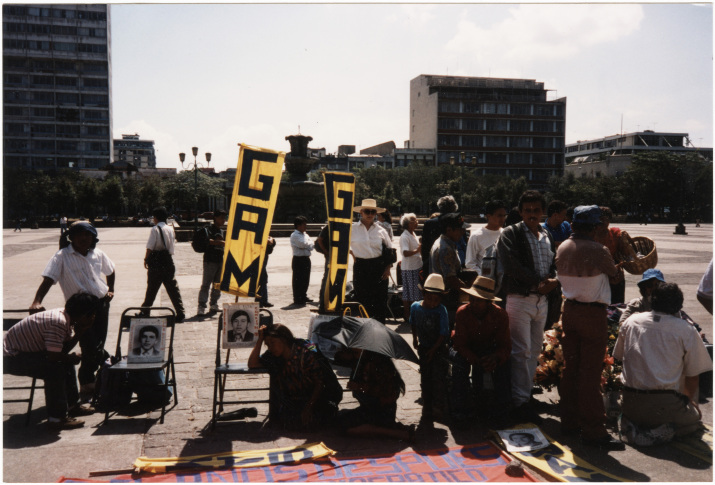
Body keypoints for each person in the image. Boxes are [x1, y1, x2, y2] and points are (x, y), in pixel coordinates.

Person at [555, 205, 624, 450]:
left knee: (570, 369)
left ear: (573, 226)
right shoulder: (599, 249)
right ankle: (594, 431)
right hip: (592, 315)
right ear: (595, 227)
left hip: (570, 311)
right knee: (590, 374)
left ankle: (569, 422)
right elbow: (615, 277)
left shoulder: (562, 246)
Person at [614, 283, 712, 440]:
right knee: (695, 421)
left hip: (629, 402)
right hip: (664, 405)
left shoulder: (631, 321)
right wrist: (688, 403)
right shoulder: (685, 329)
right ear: (679, 305)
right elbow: (693, 376)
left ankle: (633, 425)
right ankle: (657, 434)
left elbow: (618, 357)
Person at [30, 221, 115, 398]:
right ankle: (90, 379)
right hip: (79, 309)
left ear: (93, 238)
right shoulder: (61, 256)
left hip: (101, 304)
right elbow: (48, 279)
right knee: (88, 343)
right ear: (72, 238)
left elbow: (111, 270)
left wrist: (110, 289)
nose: (84, 238)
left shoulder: (98, 254)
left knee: (98, 342)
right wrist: (36, 301)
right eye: (79, 235)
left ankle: (100, 372)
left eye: (88, 235)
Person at [497, 190, 557, 424]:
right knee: (520, 351)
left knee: (534, 351)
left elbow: (552, 264)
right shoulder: (510, 234)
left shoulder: (546, 235)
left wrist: (553, 280)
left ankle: (525, 395)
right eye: (527, 210)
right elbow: (511, 264)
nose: (532, 214)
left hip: (540, 300)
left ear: (543, 211)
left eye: (536, 210)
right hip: (520, 298)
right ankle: (518, 402)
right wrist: (539, 283)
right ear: (520, 212)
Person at [5, 292, 100, 429]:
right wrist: (71, 358)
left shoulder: (65, 317)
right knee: (54, 369)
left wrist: (80, 332)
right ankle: (57, 418)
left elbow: (60, 350)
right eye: (92, 315)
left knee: (64, 362)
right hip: (11, 357)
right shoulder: (58, 322)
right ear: (84, 315)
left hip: (25, 353)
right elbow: (54, 357)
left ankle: (72, 406)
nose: (94, 317)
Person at [248, 324, 342, 430]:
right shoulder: (273, 355)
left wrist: (308, 408)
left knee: (316, 421)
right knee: (286, 422)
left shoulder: (305, 353)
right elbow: (252, 364)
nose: (270, 347)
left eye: (273, 343)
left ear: (284, 340)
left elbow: (319, 383)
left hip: (317, 398)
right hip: (296, 400)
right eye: (268, 344)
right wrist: (260, 340)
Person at [449, 276, 512, 427]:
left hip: (489, 349)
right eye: (472, 299)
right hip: (465, 349)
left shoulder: (500, 314)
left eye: (480, 300)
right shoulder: (462, 312)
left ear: (489, 302)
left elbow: (506, 346)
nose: (475, 303)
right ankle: (460, 410)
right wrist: (475, 360)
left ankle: (502, 411)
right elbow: (459, 344)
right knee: (459, 364)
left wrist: (496, 358)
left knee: (505, 364)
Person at [338, 350, 413, 441]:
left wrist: (361, 387)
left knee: (345, 428)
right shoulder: (359, 362)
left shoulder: (377, 363)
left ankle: (396, 433)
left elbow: (388, 393)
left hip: (382, 410)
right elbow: (337, 357)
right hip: (369, 408)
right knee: (340, 418)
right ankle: (393, 428)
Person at [410, 274, 449, 421]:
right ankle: (427, 405)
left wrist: (433, 350)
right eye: (429, 298)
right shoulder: (415, 307)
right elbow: (412, 323)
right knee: (425, 376)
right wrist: (414, 338)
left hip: (438, 348)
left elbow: (443, 333)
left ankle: (438, 406)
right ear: (424, 294)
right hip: (424, 348)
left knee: (438, 377)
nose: (433, 303)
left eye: (436, 300)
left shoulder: (441, 310)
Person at [350, 199, 393, 322]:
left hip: (379, 268)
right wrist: (352, 253)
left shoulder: (381, 230)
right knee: (363, 301)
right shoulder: (352, 229)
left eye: (373, 212)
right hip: (361, 267)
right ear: (361, 212)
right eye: (367, 211)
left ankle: (380, 333)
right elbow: (342, 246)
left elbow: (390, 250)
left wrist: (388, 268)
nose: (370, 214)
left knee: (380, 302)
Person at [140, 207, 185, 323]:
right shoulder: (170, 229)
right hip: (168, 260)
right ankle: (180, 312)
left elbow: (150, 246)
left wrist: (146, 259)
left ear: (156, 218)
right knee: (173, 289)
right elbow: (172, 246)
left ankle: (145, 311)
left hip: (156, 261)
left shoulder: (155, 229)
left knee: (152, 288)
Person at [430, 212, 471, 319]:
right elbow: (451, 278)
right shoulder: (446, 248)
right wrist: (469, 291)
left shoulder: (446, 243)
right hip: (447, 297)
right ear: (449, 230)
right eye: (460, 229)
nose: (463, 232)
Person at [594, 206, 626, 304]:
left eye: (605, 219)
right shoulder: (591, 235)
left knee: (616, 305)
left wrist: (624, 240)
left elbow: (625, 253)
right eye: (600, 219)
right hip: (598, 273)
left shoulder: (615, 233)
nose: (602, 222)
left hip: (615, 272)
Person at [420, 195, 459, 275]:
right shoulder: (458, 223)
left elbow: (424, 247)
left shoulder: (429, 223)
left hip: (432, 265)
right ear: (455, 207)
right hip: (453, 265)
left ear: (440, 207)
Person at [197, 209, 226, 316]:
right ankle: (201, 306)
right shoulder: (209, 229)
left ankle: (214, 303)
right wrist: (220, 242)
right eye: (221, 218)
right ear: (215, 218)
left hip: (220, 260)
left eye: (224, 218)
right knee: (206, 284)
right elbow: (207, 241)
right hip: (210, 260)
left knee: (217, 284)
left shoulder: (222, 231)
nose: (223, 220)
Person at [465, 200, 507, 273]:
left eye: (504, 216)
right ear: (488, 216)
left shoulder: (506, 234)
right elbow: (470, 263)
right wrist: (484, 276)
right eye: (499, 216)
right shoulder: (476, 236)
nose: (503, 219)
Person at [400, 213, 422, 321]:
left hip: (416, 266)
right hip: (410, 268)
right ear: (408, 224)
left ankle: (410, 316)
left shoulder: (413, 234)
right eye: (414, 221)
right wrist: (417, 250)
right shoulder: (405, 236)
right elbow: (405, 253)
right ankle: (410, 315)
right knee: (411, 293)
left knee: (412, 293)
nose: (417, 222)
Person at [290, 215, 314, 306]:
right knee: (298, 280)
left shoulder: (305, 234)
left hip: (306, 259)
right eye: (304, 224)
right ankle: (297, 298)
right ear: (298, 225)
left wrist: (308, 246)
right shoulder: (295, 235)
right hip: (298, 259)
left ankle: (303, 295)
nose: (305, 226)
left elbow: (311, 244)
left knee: (305, 279)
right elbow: (303, 244)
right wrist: (308, 246)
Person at [256, 236, 276, 308]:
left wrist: (270, 241)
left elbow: (272, 242)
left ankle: (264, 300)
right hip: (257, 260)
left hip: (263, 261)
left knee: (263, 280)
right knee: (260, 281)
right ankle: (259, 301)